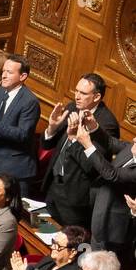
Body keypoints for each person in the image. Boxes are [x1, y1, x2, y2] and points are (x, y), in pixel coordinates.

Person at [43, 73, 122, 227]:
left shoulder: (106, 124)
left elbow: (91, 166)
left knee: (68, 245)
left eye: (83, 93)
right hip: (53, 186)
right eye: (76, 91)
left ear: (97, 96)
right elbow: (48, 145)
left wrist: (73, 140)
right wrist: (52, 127)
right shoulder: (73, 107)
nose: (77, 96)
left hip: (74, 198)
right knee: (44, 235)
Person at [0, 54, 42, 198]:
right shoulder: (0, 91)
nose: (4, 76)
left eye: (9, 72)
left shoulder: (30, 102)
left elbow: (22, 134)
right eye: (4, 71)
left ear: (23, 76)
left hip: (16, 169)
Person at [82, 128, 136, 264]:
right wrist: (94, 127)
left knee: (99, 264)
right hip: (100, 208)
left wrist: (88, 145)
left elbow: (112, 174)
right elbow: (110, 142)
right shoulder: (131, 148)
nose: (134, 139)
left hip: (112, 225)